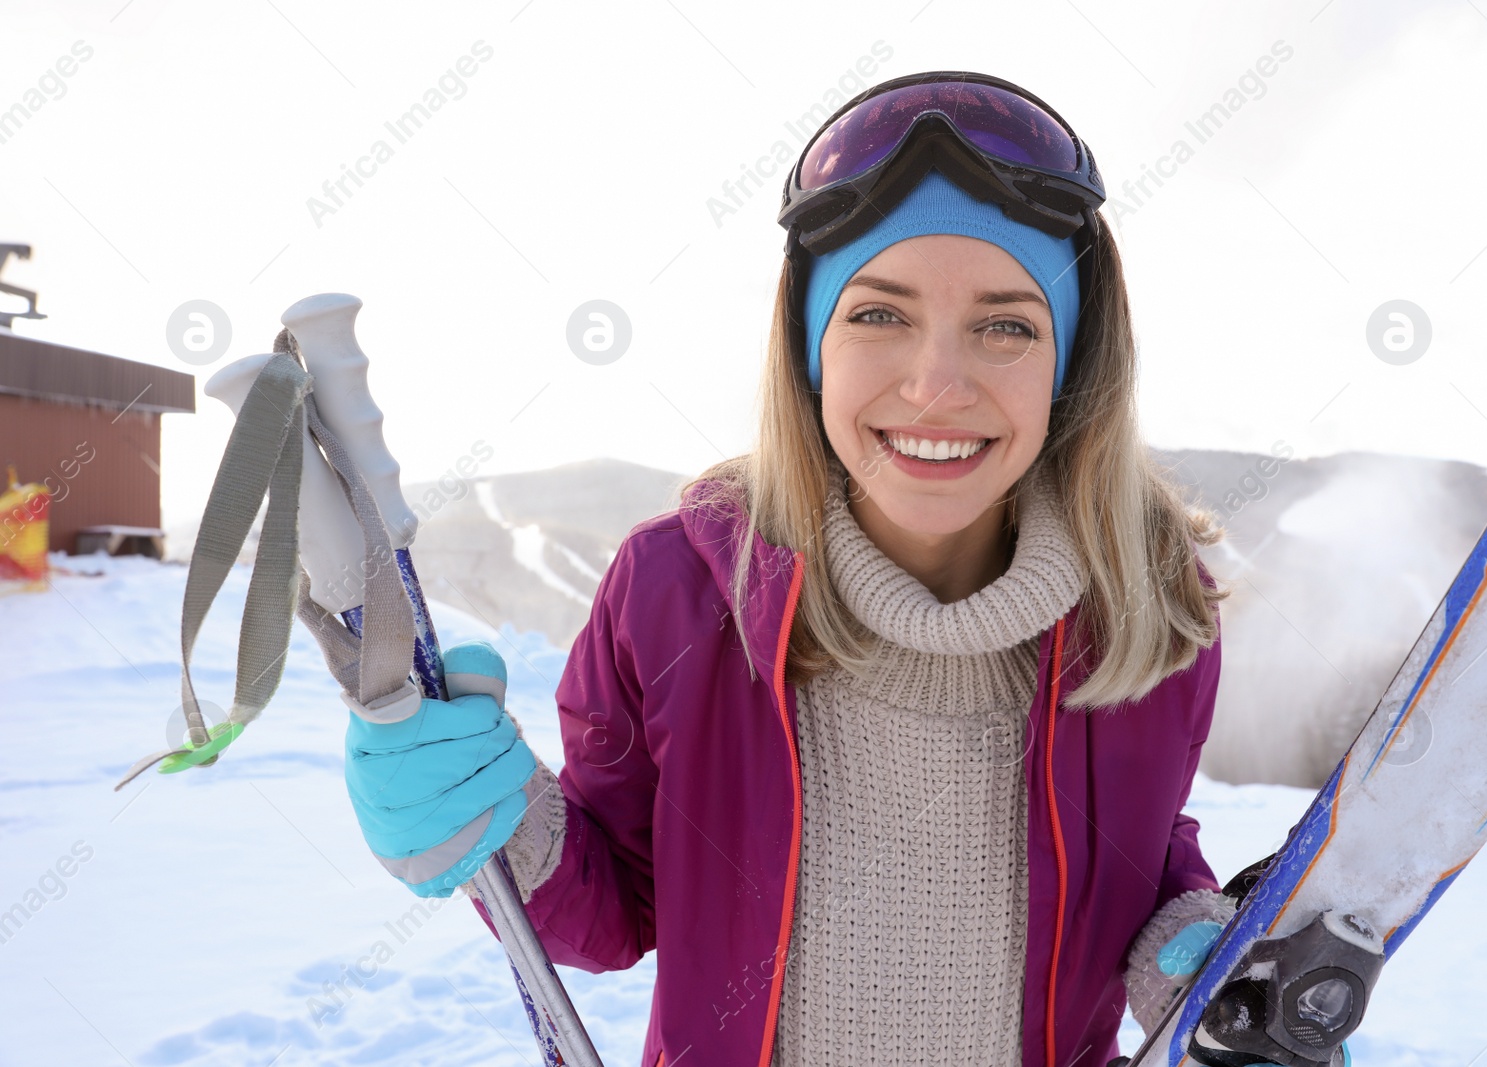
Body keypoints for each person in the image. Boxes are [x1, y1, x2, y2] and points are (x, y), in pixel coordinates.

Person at [340, 71, 1342, 1067]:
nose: (935, 384)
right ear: (809, 345)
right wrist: (493, 824)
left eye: (1005, 325)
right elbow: (615, 906)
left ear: (1070, 365)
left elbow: (1142, 847)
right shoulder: (677, 591)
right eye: (878, 314)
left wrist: (1195, 957)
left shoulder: (1146, 608)